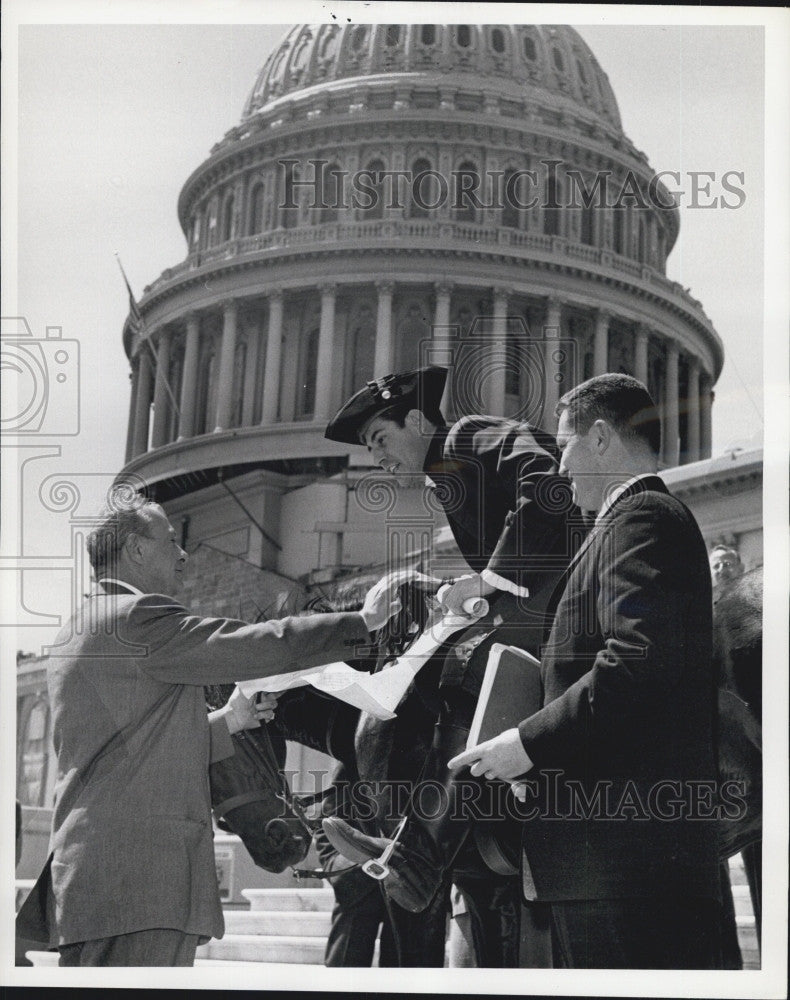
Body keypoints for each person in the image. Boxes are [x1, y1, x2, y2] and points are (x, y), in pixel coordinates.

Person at [19, 495, 399, 968]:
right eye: (170, 541)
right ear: (136, 550)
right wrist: (362, 622)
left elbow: (130, 754)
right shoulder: (136, 617)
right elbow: (249, 646)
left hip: (104, 878)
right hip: (140, 882)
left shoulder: (81, 626)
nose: (182, 554)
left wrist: (231, 720)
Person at [449, 373, 723, 969]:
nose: (560, 464)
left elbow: (635, 661)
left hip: (627, 868)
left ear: (600, 437)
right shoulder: (623, 524)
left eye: (566, 442)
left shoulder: (642, 518)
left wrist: (527, 742)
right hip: (613, 864)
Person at [321, 365, 579, 967]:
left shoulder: (467, 436)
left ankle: (418, 855)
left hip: (573, 596)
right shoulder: (445, 476)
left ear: (416, 420)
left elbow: (546, 482)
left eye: (380, 439)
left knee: (466, 663)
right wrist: (450, 585)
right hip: (535, 598)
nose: (377, 457)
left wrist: (488, 579)